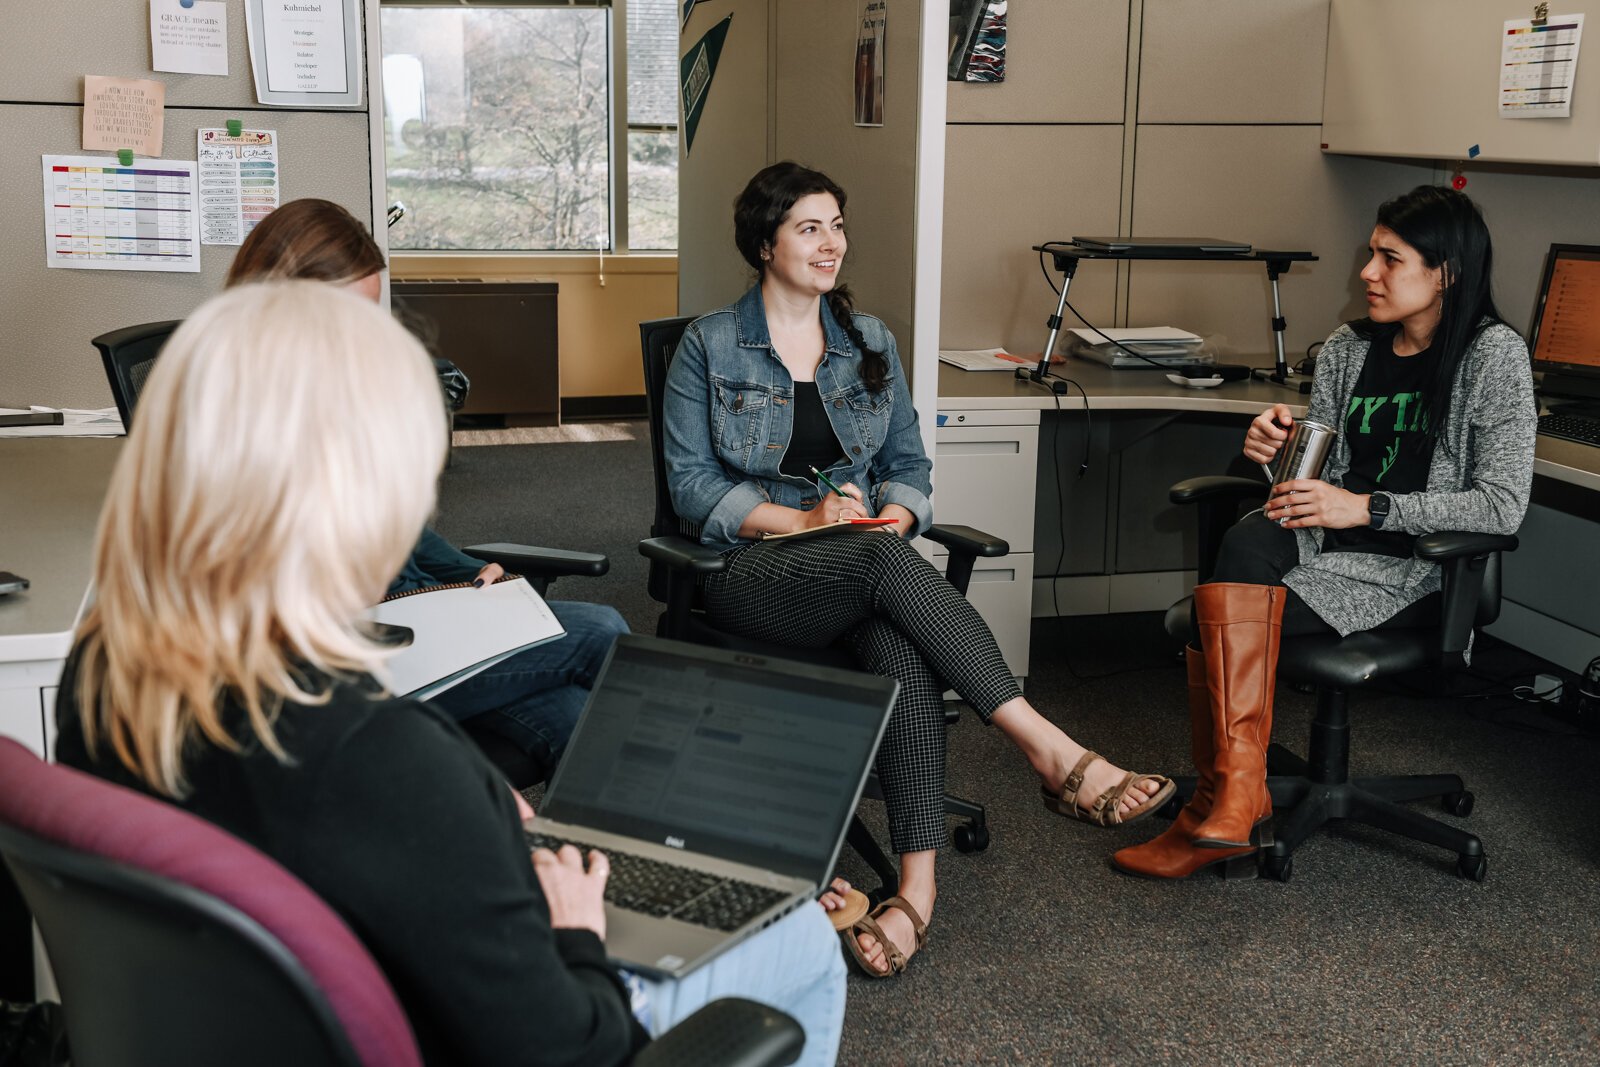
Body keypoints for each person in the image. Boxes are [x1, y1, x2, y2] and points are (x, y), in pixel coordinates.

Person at [54, 282, 847, 1066]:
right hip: (470, 1024)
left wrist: (480, 816)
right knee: (805, 935)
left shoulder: (106, 669)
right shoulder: (379, 758)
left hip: (258, 1023)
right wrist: (574, 927)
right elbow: (579, 1050)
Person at [663, 161, 1175, 978]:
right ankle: (1047, 749)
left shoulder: (870, 342)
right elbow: (693, 488)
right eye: (808, 228)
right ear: (764, 244)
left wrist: (894, 512)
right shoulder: (710, 345)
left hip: (858, 565)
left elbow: (909, 466)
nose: (831, 244)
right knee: (876, 560)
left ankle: (916, 893)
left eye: (836, 225)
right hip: (750, 571)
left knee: (894, 633)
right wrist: (805, 520)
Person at [1113, 185, 1539, 880]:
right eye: (1371, 253)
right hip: (1326, 547)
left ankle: (1219, 805)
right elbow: (1318, 481)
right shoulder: (1349, 347)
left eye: (1389, 258)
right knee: (1250, 539)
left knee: (1220, 613)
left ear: (1447, 272)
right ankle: (1235, 792)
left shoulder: (1494, 359)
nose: (1367, 273)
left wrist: (1369, 509)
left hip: (1414, 569)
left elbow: (1500, 506)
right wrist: (1270, 452)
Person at [227, 198, 629, 774]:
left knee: (571, 717)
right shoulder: (244, 423)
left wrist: (471, 575)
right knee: (602, 632)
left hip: (420, 620)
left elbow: (404, 537)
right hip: (360, 658)